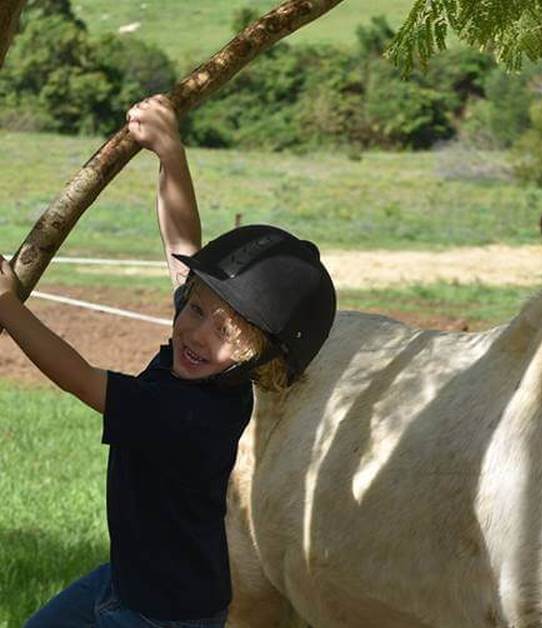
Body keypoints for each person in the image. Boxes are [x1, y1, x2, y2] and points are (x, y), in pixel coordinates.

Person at [3, 95, 336, 627]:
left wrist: (6, 308)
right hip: (126, 581)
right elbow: (182, 243)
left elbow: (80, 379)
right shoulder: (211, 366)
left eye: (223, 330)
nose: (195, 331)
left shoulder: (186, 416)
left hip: (162, 617)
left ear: (262, 360)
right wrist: (169, 153)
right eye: (197, 308)